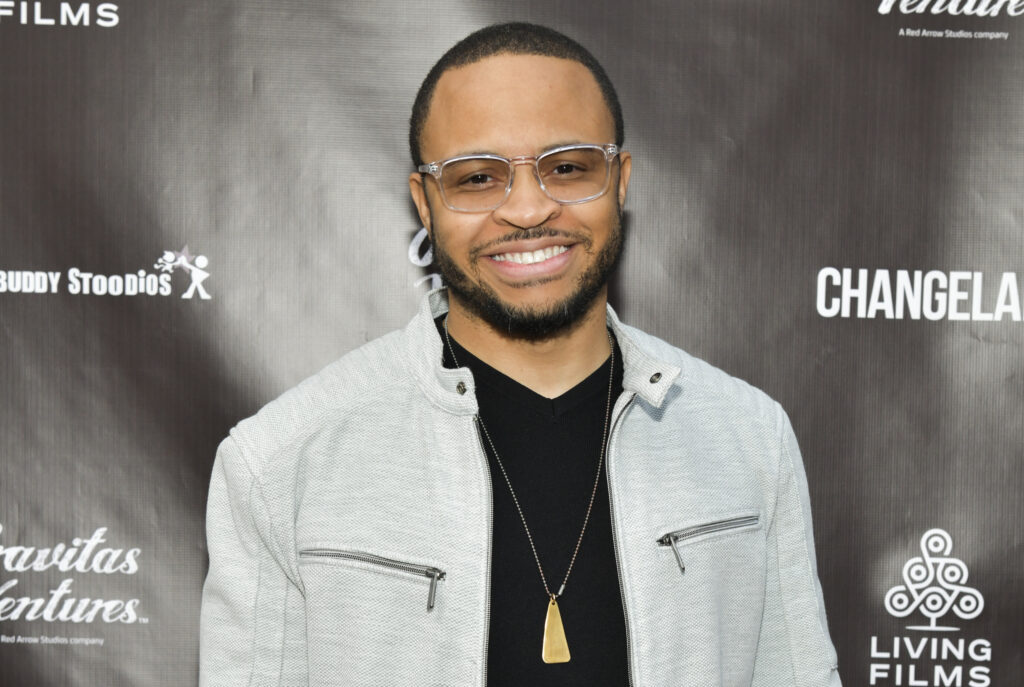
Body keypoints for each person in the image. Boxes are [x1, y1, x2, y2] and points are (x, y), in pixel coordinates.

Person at [199, 22, 842, 687]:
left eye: (567, 167)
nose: (529, 209)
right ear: (425, 201)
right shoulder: (281, 462)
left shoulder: (747, 436)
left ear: (619, 179)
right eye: (477, 178)